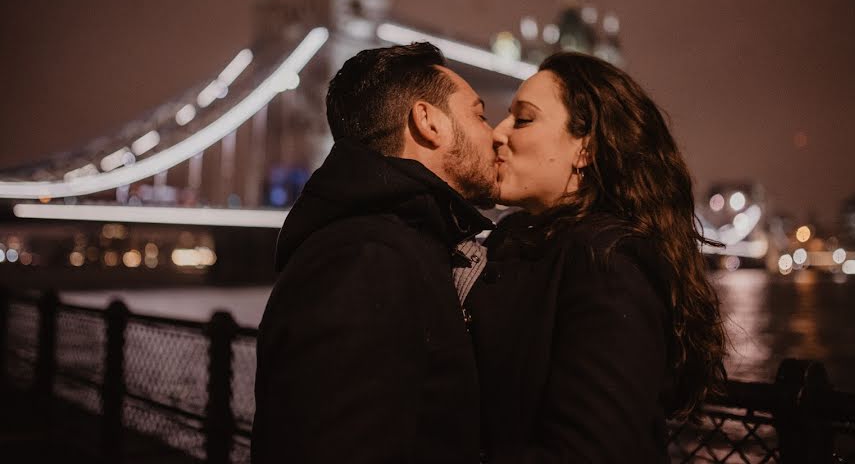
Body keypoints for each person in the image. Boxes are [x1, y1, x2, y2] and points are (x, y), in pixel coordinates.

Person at [467, 52, 727, 463]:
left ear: (585, 147)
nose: (498, 134)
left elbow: (590, 450)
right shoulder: (522, 246)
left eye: (523, 119)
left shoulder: (608, 265)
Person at [252, 43, 498, 463]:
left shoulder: (402, 245)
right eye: (479, 114)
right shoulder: (365, 260)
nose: (495, 134)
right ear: (428, 121)